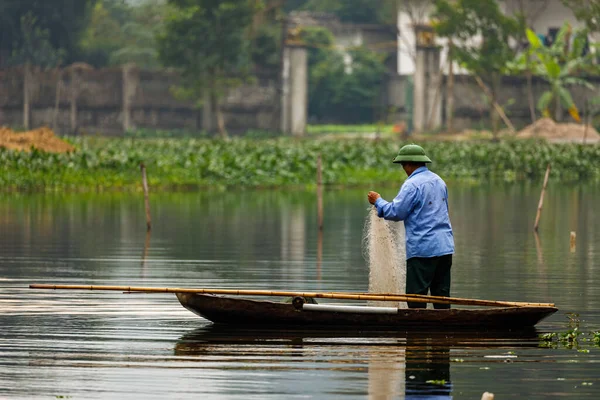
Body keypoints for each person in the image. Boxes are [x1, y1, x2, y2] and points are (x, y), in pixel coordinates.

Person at [367, 144, 454, 309]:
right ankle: (443, 330)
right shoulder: (439, 181)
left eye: (403, 165)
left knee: (415, 299)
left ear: (408, 164)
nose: (404, 169)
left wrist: (378, 201)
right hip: (445, 247)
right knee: (442, 298)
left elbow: (396, 212)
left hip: (423, 249)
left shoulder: (412, 185)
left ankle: (416, 331)